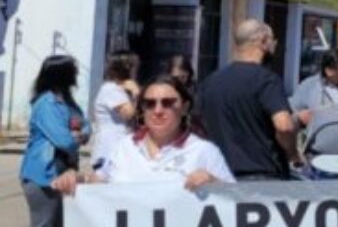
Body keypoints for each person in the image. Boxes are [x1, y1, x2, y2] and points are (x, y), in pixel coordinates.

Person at [53, 76, 232, 191]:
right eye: (149, 103)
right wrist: (77, 179)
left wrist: (215, 183)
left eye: (168, 103)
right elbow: (100, 182)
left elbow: (238, 204)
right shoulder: (124, 146)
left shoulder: (205, 151)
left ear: (184, 107)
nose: (158, 110)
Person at [15, 56, 90, 227]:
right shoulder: (46, 103)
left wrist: (79, 134)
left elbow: (85, 124)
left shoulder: (65, 100)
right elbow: (62, 139)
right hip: (41, 174)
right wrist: (76, 136)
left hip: (61, 174)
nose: (76, 76)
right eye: (73, 71)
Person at [197, 20, 299, 180]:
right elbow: (284, 126)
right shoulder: (266, 80)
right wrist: (293, 154)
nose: (275, 46)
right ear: (264, 41)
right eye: (273, 41)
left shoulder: (210, 81)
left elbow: (199, 126)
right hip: (262, 179)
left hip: (220, 176)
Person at [90, 51, 140, 172]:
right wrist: (136, 94)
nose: (136, 71)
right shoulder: (111, 89)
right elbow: (128, 114)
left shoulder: (120, 88)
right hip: (110, 148)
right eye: (134, 67)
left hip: (119, 146)